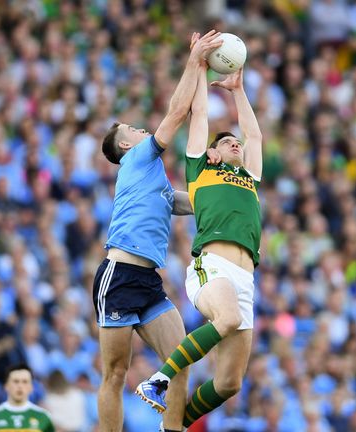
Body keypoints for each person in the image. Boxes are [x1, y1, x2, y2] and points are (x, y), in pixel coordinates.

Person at [94, 30, 223, 432]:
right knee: (116, 374)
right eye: (131, 130)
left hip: (148, 279)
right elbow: (176, 114)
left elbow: (187, 202)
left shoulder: (155, 181)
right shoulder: (137, 161)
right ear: (126, 148)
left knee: (179, 362)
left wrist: (226, 195)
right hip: (119, 274)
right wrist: (195, 61)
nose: (139, 130)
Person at [136, 61, 263, 430]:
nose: (235, 142)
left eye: (234, 140)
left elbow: (254, 137)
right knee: (227, 319)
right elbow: (200, 112)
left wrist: (238, 90)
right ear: (213, 152)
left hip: (245, 279)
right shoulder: (201, 171)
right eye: (226, 142)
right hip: (213, 265)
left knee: (228, 383)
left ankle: (174, 426)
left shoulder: (250, 178)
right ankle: (159, 380)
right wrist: (203, 68)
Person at [0, 364, 54, 431]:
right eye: (15, 381)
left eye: (24, 382)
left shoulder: (43, 417)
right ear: (6, 385)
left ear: (31, 387)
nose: (20, 386)